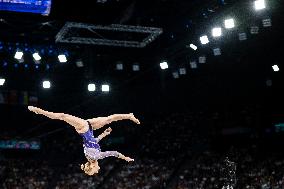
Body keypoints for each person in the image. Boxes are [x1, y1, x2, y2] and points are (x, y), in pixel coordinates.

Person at [28, 106, 140, 175]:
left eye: (94, 171)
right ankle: (129, 115)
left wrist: (125, 158)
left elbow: (114, 153)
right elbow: (94, 142)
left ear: (91, 166)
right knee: (109, 119)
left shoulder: (95, 157)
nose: (97, 171)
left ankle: (39, 111)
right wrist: (104, 134)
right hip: (89, 128)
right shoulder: (93, 156)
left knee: (63, 116)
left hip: (83, 128)